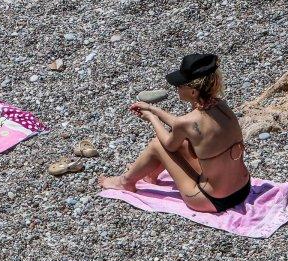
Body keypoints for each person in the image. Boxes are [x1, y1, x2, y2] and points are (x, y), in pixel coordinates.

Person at [98, 53, 252, 213]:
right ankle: (150, 176)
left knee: (157, 144)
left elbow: (169, 145)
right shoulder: (221, 106)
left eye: (179, 85)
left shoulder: (187, 123)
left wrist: (152, 118)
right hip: (243, 189)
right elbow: (183, 125)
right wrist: (153, 109)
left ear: (193, 92)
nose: (176, 88)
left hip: (212, 199)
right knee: (185, 141)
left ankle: (125, 182)